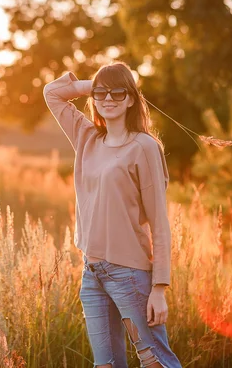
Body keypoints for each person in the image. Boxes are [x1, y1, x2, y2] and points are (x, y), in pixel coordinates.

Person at [43, 62, 182, 368]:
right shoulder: (87, 137)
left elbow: (159, 222)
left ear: (131, 98)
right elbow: (52, 93)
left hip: (129, 274)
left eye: (118, 92)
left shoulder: (144, 147)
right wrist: (91, 84)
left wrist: (159, 287)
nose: (108, 99)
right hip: (91, 273)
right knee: (106, 365)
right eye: (101, 93)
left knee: (155, 361)